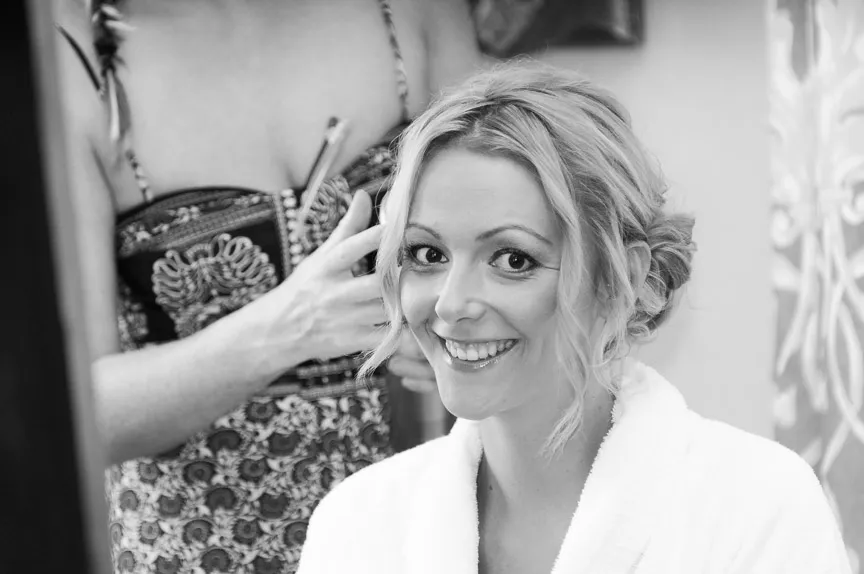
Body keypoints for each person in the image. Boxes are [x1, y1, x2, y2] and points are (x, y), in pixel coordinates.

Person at [297, 62, 853, 574]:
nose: (450, 304)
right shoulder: (358, 524)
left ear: (622, 276)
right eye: (427, 254)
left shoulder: (757, 510)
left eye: (512, 260)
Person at [56, 0, 481, 571]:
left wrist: (462, 337)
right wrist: (285, 330)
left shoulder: (412, 12)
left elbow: (517, 247)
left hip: (418, 531)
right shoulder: (70, 57)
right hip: (202, 548)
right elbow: (77, 418)